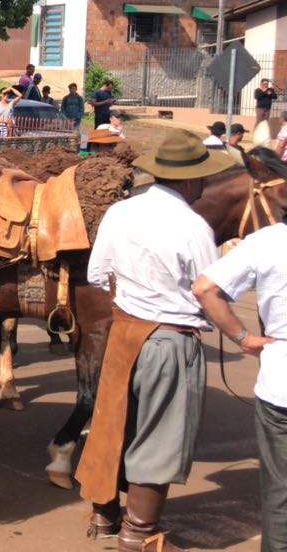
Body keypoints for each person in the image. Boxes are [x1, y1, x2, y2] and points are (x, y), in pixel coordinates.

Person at [75, 129, 237, 552]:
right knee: (161, 435)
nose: (202, 184)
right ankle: (139, 533)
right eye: (201, 177)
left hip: (125, 332)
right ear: (187, 181)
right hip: (171, 338)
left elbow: (96, 275)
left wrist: (134, 294)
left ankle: (103, 515)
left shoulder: (119, 212)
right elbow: (208, 289)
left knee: (113, 425)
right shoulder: (194, 226)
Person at [193, 224, 287, 552]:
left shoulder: (268, 239)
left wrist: (242, 338)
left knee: (281, 496)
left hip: (282, 386)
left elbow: (204, 288)